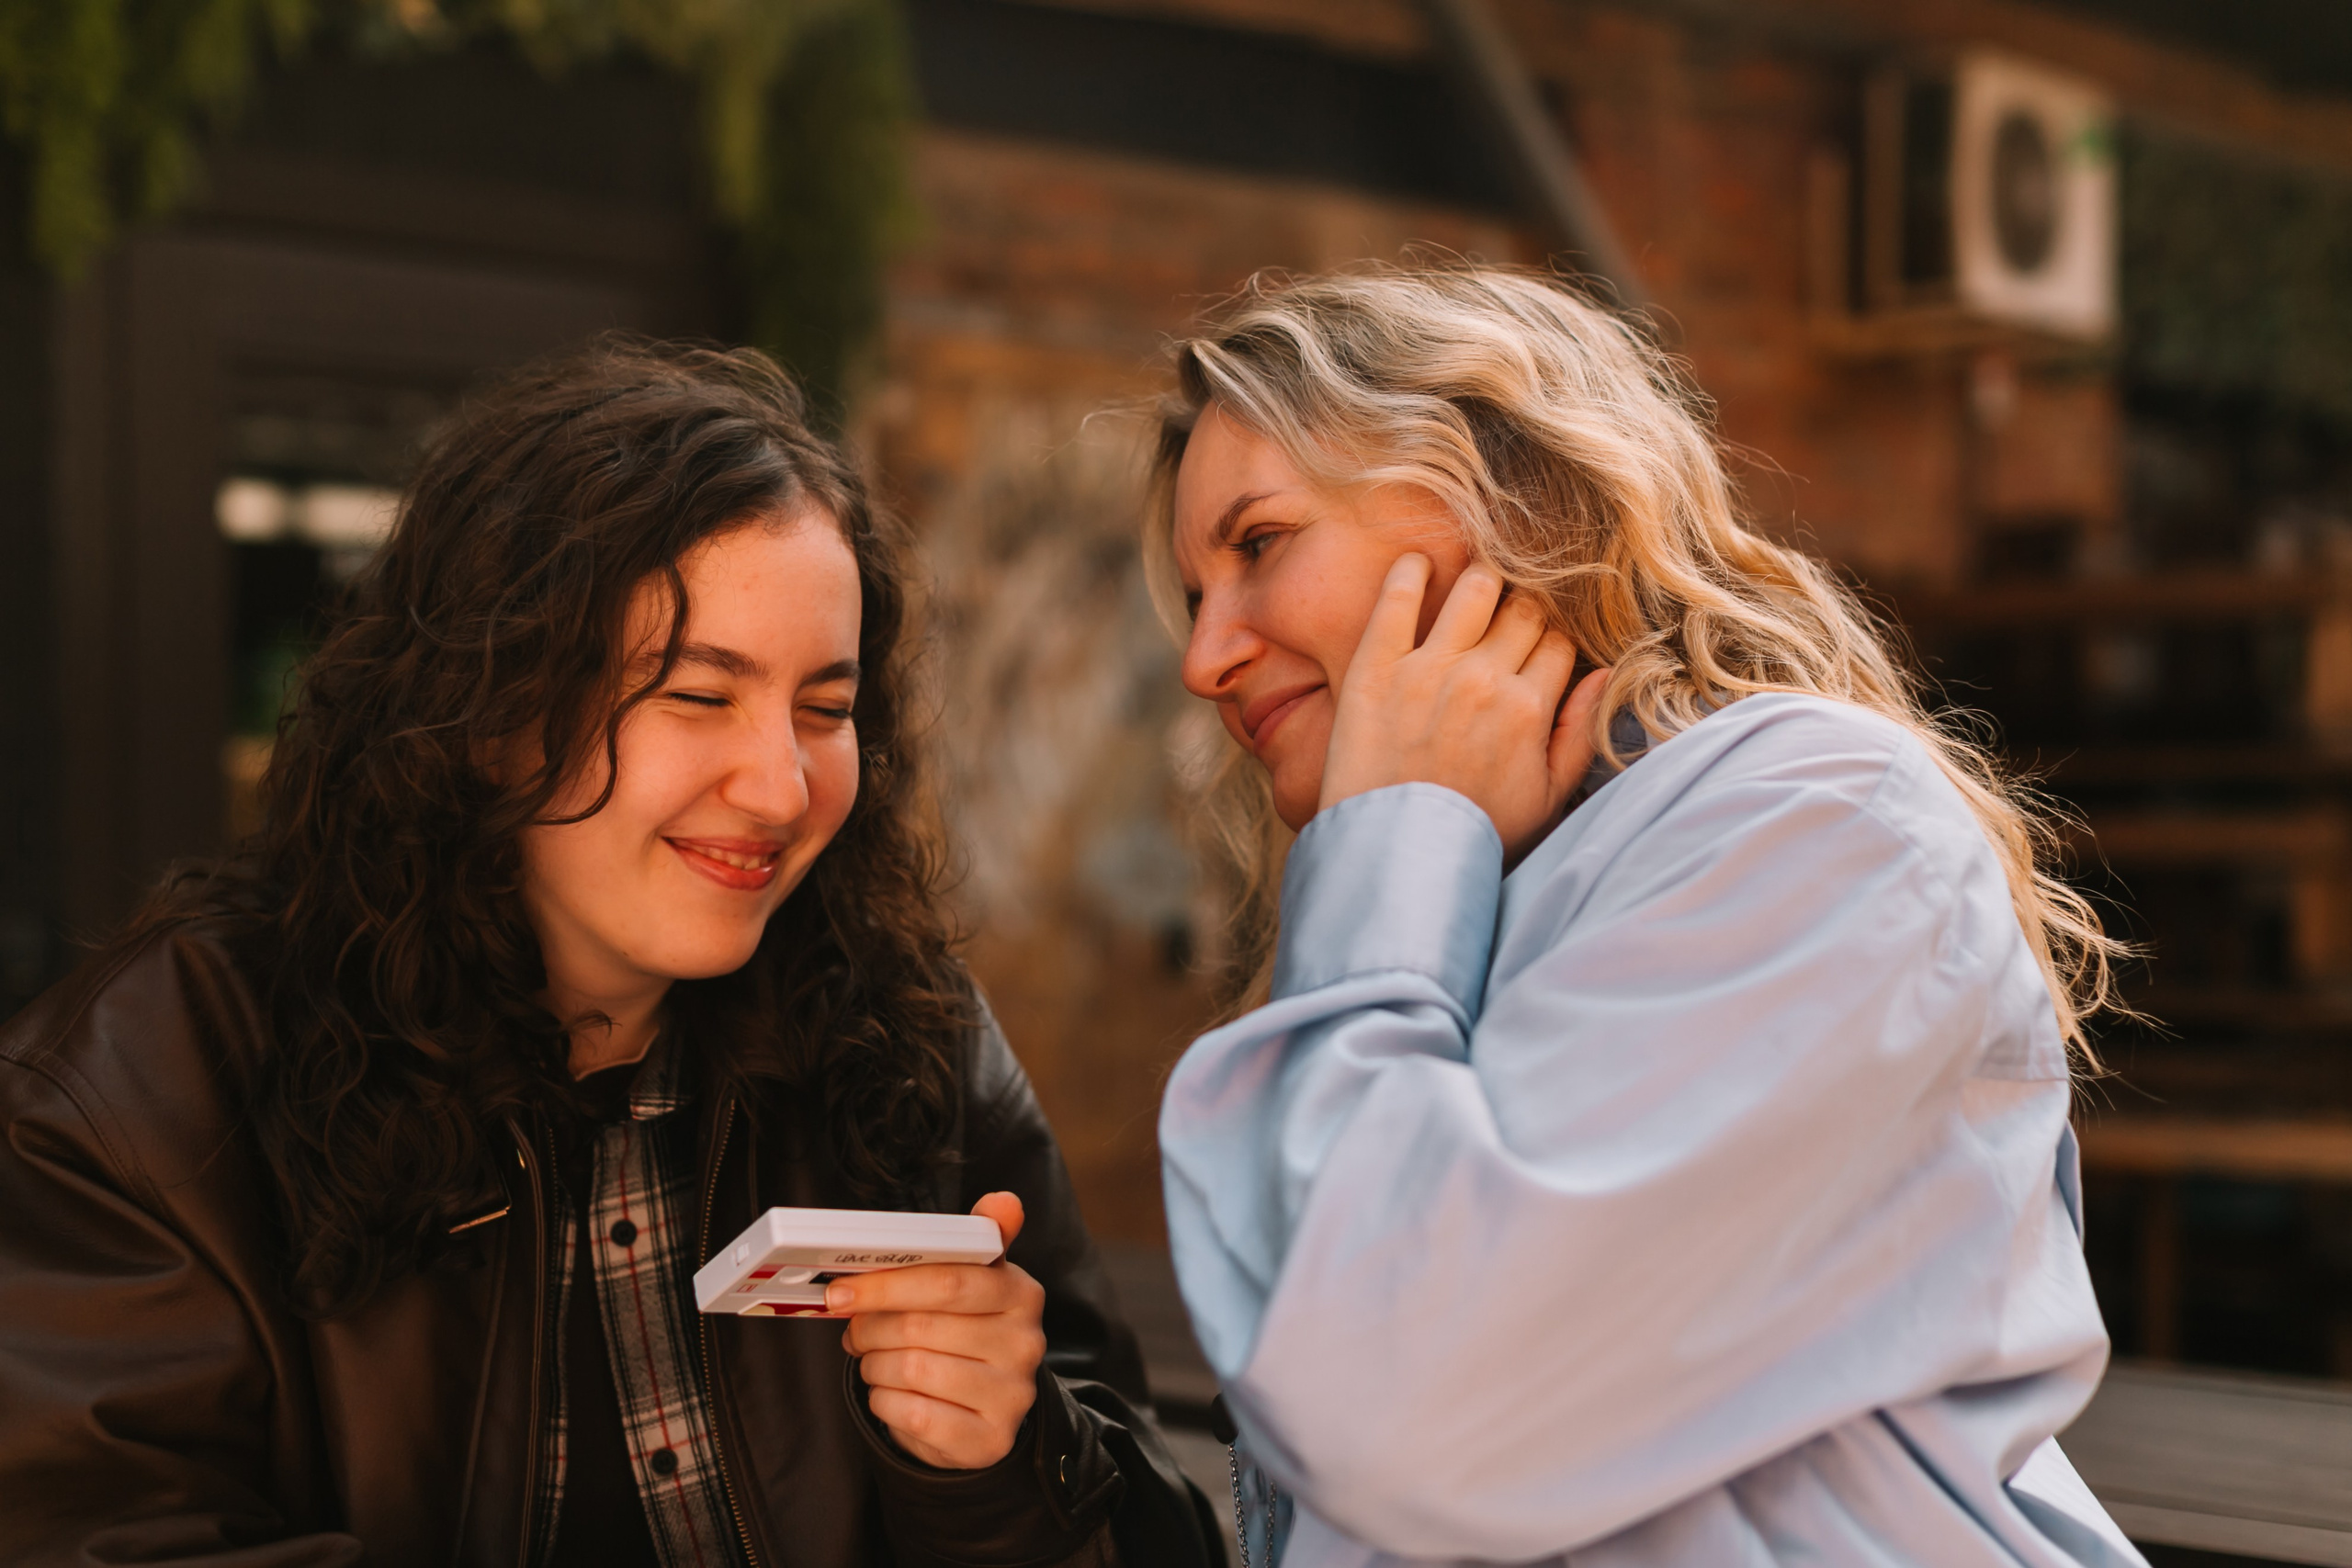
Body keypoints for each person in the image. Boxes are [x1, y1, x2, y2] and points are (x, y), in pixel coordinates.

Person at [0, 340, 1217, 1568]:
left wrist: (996, 1463)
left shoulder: (900, 1029)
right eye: (697, 696)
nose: (781, 785)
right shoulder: (150, 1092)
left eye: (826, 708)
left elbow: (1166, 1536)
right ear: (488, 707)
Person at [1148, 265, 2147, 1567]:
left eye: (1260, 544)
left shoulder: (1816, 822)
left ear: (1499, 486)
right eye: (1192, 596)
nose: (1203, 655)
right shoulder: (1446, 905)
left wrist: (1392, 836)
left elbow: (1407, 1406)